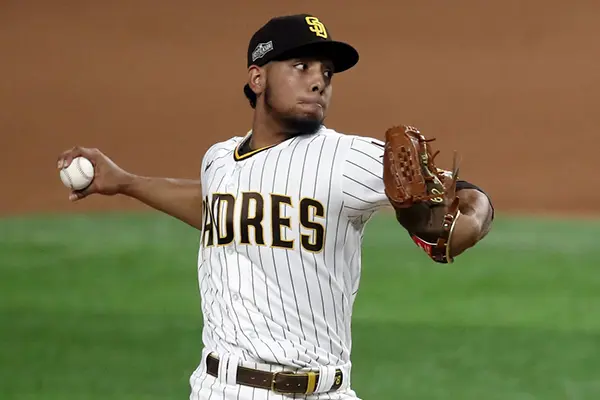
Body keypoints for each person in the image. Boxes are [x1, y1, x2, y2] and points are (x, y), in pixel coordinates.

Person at [56, 13, 494, 400]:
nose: (319, 81)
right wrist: (126, 182)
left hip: (325, 390)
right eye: (301, 67)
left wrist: (466, 223)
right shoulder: (219, 158)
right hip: (222, 388)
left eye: (326, 73)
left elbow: (469, 198)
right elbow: (216, 207)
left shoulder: (347, 158)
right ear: (258, 78)